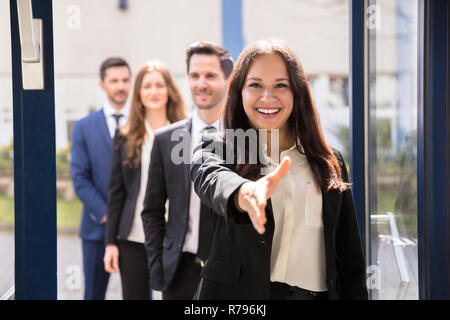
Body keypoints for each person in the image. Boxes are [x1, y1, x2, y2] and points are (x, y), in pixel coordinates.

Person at [190, 39, 368, 300]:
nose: (268, 97)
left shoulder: (328, 162)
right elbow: (211, 177)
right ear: (239, 92)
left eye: (281, 85)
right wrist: (244, 191)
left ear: (297, 92)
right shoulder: (217, 146)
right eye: (255, 85)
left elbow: (350, 263)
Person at [141, 42, 234, 300]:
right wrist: (157, 263)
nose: (201, 83)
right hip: (179, 273)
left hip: (230, 277)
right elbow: (152, 210)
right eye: (195, 75)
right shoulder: (166, 140)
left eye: (210, 75)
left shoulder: (244, 140)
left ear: (227, 79)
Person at [103, 60, 187, 300]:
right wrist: (110, 243)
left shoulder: (185, 132)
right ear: (138, 93)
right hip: (134, 238)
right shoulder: (125, 135)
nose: (153, 92)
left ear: (170, 90)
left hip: (176, 235)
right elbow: (116, 192)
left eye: (159, 85)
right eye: (147, 86)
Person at [71, 57, 131, 300]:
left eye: (125, 80)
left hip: (135, 231)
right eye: (114, 81)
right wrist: (109, 215)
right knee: (93, 295)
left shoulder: (143, 123)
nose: (121, 86)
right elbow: (79, 178)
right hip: (96, 229)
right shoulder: (84, 127)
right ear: (102, 84)